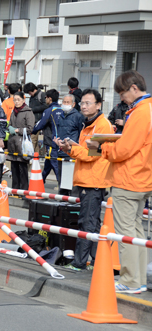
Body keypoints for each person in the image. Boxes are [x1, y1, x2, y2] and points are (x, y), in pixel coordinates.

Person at [90, 70, 152, 293]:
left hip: (128, 178)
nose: (122, 98)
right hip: (144, 178)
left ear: (134, 88)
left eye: (123, 93)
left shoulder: (140, 112)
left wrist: (103, 147)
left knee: (127, 234)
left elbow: (125, 149)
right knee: (137, 233)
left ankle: (129, 280)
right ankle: (139, 280)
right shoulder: (149, 109)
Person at [55, 89, 112, 272]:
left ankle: (80, 262)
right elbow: (83, 152)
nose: (84, 106)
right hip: (86, 179)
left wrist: (72, 149)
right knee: (92, 223)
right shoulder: (88, 124)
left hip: (94, 181)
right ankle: (97, 260)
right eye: (83, 103)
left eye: (88, 103)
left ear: (98, 105)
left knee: (86, 223)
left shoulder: (102, 126)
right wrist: (67, 147)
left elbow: (92, 155)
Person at [32, 89, 63, 183]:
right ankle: (42, 179)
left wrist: (32, 130)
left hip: (51, 141)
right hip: (61, 141)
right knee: (48, 162)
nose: (45, 99)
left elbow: (40, 124)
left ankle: (62, 186)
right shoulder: (62, 110)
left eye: (45, 98)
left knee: (54, 163)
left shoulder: (49, 110)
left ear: (49, 98)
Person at [56, 94, 84, 195]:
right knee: (62, 180)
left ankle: (73, 202)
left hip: (72, 152)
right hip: (61, 151)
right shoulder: (61, 115)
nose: (66, 104)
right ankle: (62, 201)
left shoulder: (78, 116)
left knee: (71, 182)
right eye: (64, 102)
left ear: (73, 104)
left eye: (68, 102)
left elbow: (81, 133)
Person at [7, 92, 35, 190]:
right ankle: (15, 190)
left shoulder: (28, 112)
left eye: (18, 99)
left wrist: (18, 130)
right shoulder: (13, 111)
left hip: (22, 144)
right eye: (15, 100)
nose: (16, 102)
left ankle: (23, 190)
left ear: (23, 100)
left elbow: (30, 128)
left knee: (23, 169)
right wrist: (9, 128)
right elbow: (9, 124)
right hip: (13, 143)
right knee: (14, 169)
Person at [24, 82, 48, 156]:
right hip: (33, 120)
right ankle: (35, 156)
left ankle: (33, 155)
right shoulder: (32, 97)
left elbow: (45, 106)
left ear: (33, 89)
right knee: (34, 140)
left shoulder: (41, 95)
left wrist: (33, 109)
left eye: (29, 92)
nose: (29, 94)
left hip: (40, 121)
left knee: (34, 139)